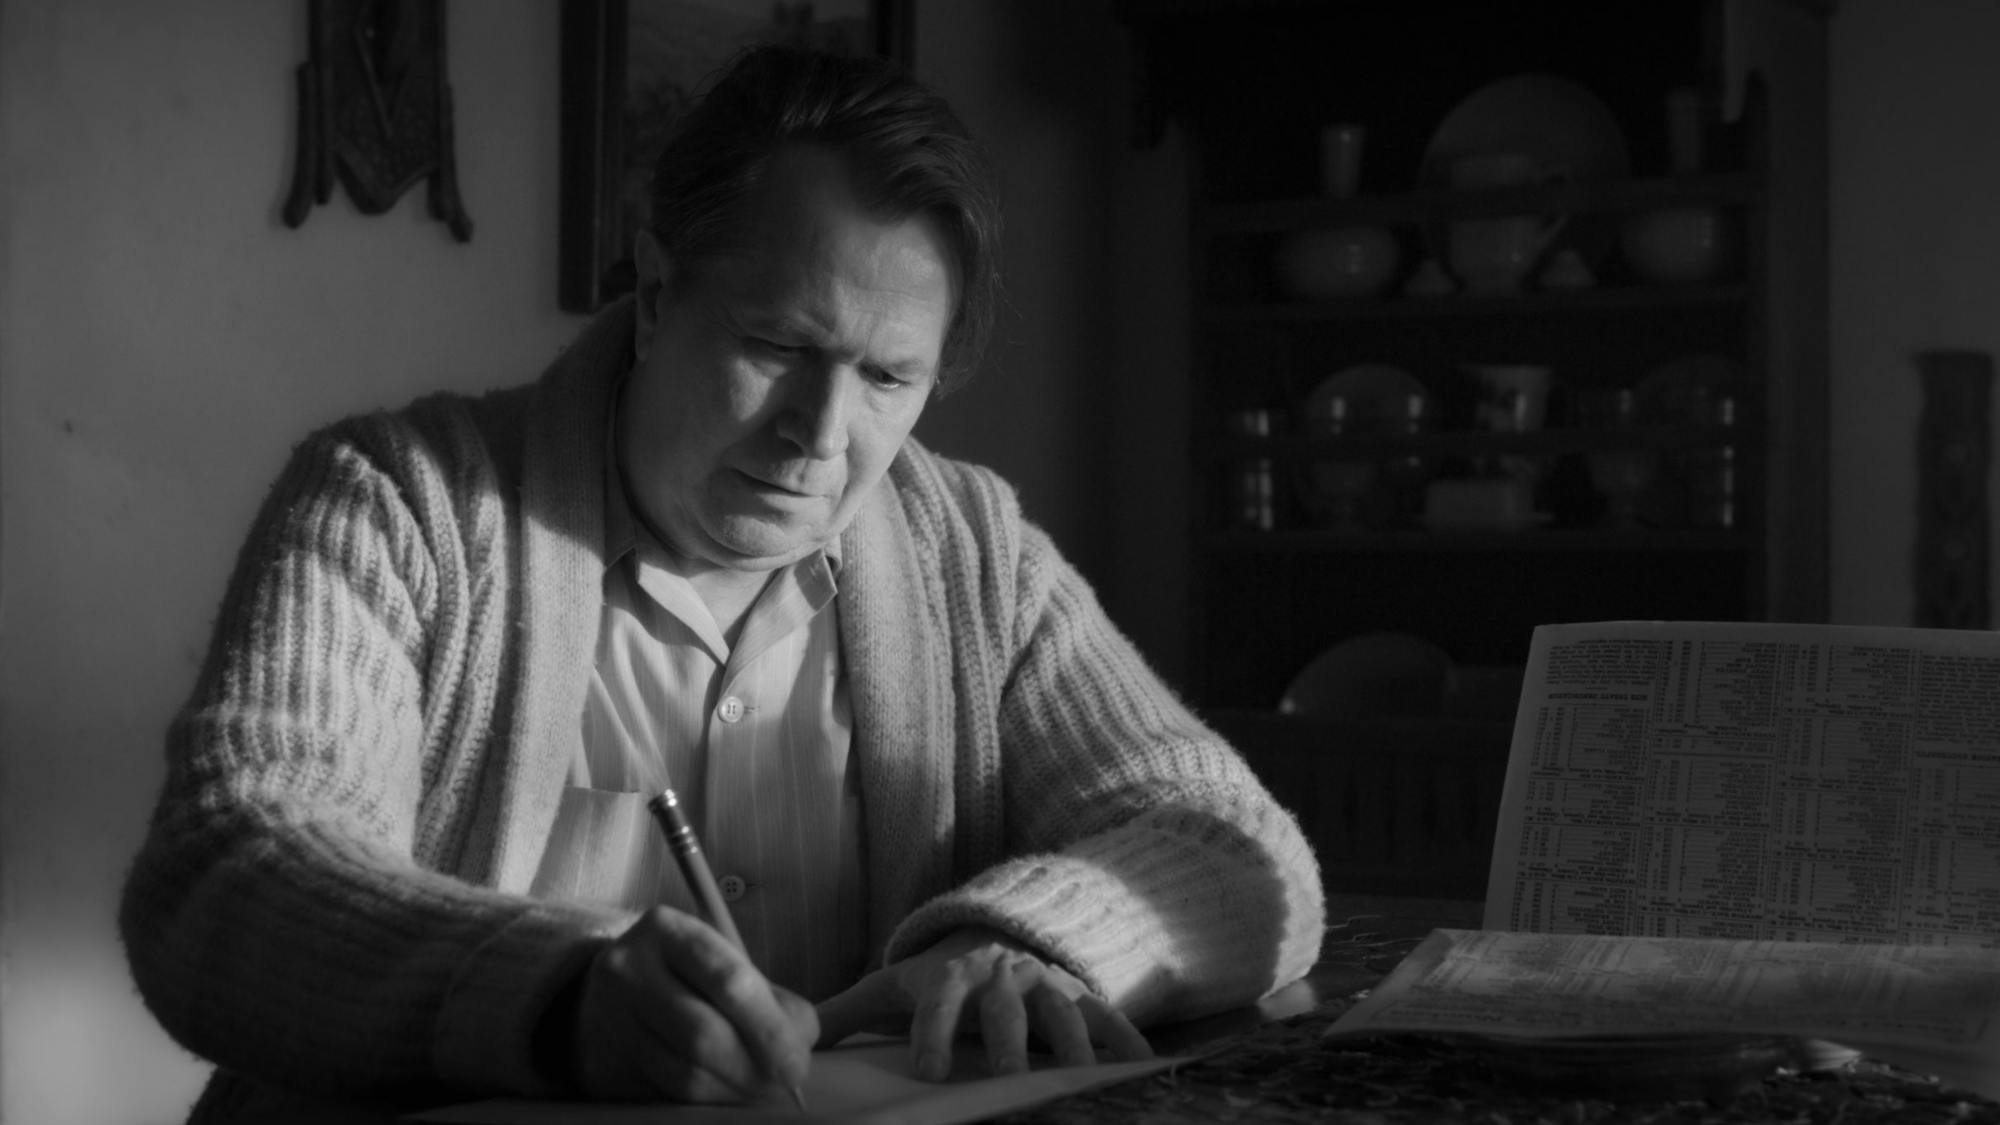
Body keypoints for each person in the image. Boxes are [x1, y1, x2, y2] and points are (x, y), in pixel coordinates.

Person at [120, 44, 1324, 1120]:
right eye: (778, 348)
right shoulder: (397, 504)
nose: (821, 433)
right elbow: (230, 875)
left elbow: (1234, 850)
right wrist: (555, 997)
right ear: (654, 295)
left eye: (887, 380)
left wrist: (1032, 943)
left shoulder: (973, 551)